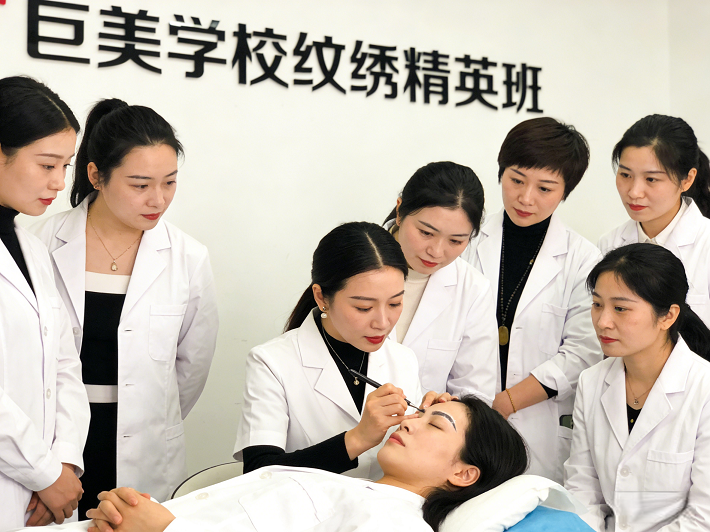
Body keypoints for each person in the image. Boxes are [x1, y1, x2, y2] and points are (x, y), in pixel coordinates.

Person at [31, 99, 219, 512]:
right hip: (53, 442)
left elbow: (191, 367)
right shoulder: (38, 244)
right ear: (96, 176)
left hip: (147, 444)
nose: (158, 200)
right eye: (140, 185)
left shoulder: (188, 257)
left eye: (169, 182)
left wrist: (151, 414)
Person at [85, 396, 528, 532]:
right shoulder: (361, 492)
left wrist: (165, 530)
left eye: (435, 424)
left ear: (463, 474)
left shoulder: (396, 523)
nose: (409, 421)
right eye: (420, 412)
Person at [463, 117, 603, 483]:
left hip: (537, 423)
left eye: (545, 188)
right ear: (501, 173)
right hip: (463, 414)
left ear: (565, 191)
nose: (526, 198)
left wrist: (506, 403)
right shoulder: (468, 241)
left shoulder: (583, 259)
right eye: (516, 180)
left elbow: (583, 352)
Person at [234, 222, 424, 480]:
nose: (383, 322)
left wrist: (435, 418)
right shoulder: (272, 362)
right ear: (321, 297)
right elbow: (259, 471)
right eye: (364, 308)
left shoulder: (403, 359)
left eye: (395, 303)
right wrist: (358, 438)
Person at [564, 243, 710, 532]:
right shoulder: (592, 382)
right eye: (597, 304)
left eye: (620, 308)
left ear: (668, 316)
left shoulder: (703, 389)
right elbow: (583, 491)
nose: (603, 322)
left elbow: (703, 516)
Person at [0, 76, 90, 530]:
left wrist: (65, 462)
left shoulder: (32, 247)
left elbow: (64, 363)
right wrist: (44, 473)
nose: (59, 181)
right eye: (47, 164)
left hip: (44, 491)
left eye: (66, 165)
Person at [383, 162, 498, 400]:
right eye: (426, 233)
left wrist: (447, 408)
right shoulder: (350, 260)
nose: (436, 252)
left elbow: (475, 393)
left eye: (455, 241)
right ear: (400, 211)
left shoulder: (473, 290)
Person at [598, 114, 710, 326]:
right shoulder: (609, 244)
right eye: (625, 175)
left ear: (687, 179)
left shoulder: (706, 245)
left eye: (651, 179)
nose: (634, 192)